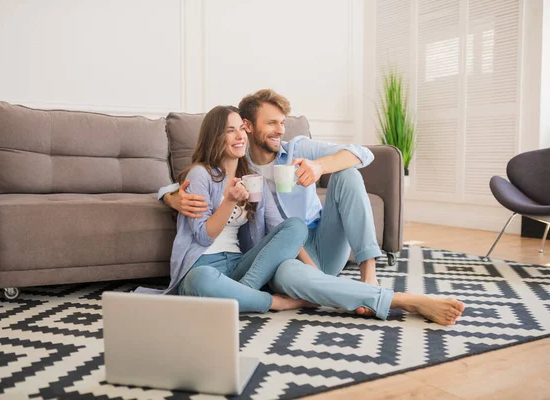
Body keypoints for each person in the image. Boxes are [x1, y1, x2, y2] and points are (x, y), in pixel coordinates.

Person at [158, 90, 465, 325]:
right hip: (276, 261)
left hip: (311, 246)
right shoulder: (233, 168)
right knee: (280, 274)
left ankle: (368, 276)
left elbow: (358, 155)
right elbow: (188, 183)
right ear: (249, 127)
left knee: (343, 176)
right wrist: (171, 197)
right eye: (272, 123)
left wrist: (319, 167)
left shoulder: (294, 150)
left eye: (283, 122)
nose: (280, 130)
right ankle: (401, 301)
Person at [137, 105, 315, 313]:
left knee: (295, 226)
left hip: (239, 264)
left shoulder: (252, 178)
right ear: (215, 137)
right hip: (202, 265)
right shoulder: (200, 175)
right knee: (199, 280)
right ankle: (274, 302)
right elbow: (203, 236)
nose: (240, 136)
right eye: (230, 130)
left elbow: (280, 227)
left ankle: (242, 292)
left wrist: (313, 271)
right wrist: (229, 200)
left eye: (241, 128)